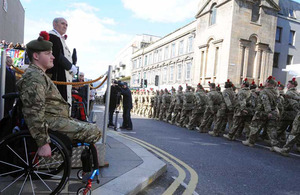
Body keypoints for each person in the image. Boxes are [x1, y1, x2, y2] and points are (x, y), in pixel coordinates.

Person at [17, 31, 101, 157]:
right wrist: (43, 143)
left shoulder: (39, 75)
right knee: (94, 131)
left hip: (56, 119)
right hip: (50, 122)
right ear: (36, 56)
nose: (53, 57)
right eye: (48, 54)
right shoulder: (34, 78)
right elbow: (33, 112)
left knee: (90, 126)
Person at [47, 17, 77, 105]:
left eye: (66, 25)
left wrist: (73, 62)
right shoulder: (52, 37)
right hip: (57, 76)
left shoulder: (60, 38)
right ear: (54, 24)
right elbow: (56, 54)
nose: (65, 26)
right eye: (62, 23)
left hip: (64, 76)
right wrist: (70, 66)